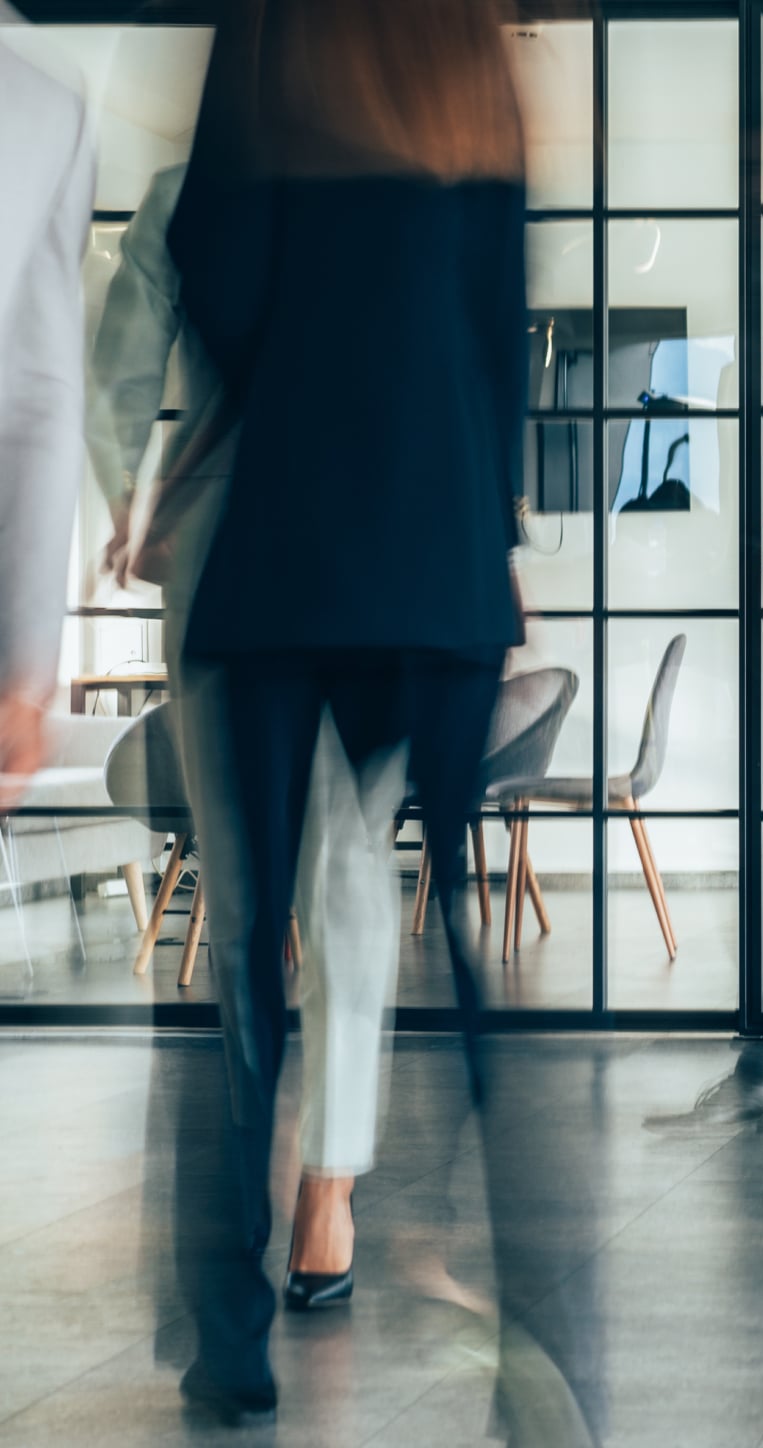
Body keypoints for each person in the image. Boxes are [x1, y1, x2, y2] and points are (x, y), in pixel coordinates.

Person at [166, 0, 603, 1433]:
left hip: (288, 543)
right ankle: (544, 1338)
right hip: (439, 559)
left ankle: (232, 1349)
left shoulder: (272, 31)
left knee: (246, 968)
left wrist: (298, 357)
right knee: (463, 954)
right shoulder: (472, 51)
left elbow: (209, 265)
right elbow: (500, 320)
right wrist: (494, 539)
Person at [88, 159, 408, 1315]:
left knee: (342, 882)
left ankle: (327, 1177)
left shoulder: (396, 177)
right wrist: (127, 496)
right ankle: (282, 1171)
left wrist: (130, 496)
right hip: (255, 555)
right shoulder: (192, 190)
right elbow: (121, 362)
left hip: (359, 554)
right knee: (262, 893)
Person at [0, 34, 93, 816]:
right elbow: (40, 399)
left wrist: (27, 670)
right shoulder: (41, 106)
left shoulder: (42, 108)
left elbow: (39, 400)